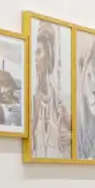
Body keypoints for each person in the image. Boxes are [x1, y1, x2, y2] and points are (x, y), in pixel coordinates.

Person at [30, 22, 70, 159]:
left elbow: (79, 132)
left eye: (38, 52)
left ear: (48, 56)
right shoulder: (34, 98)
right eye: (34, 53)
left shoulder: (59, 98)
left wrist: (71, 137)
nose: (35, 59)